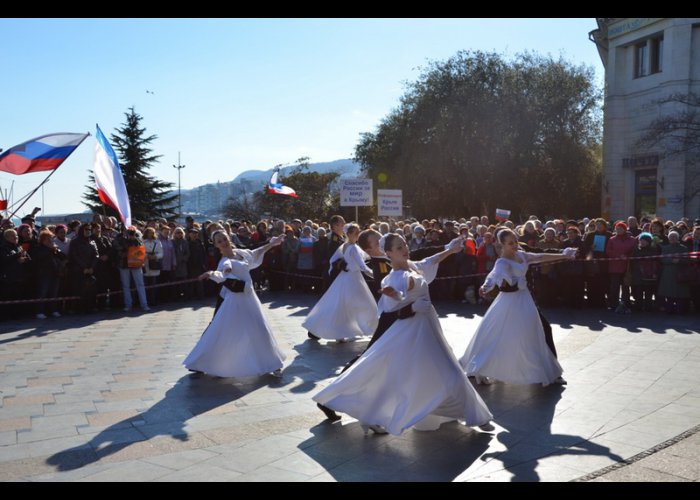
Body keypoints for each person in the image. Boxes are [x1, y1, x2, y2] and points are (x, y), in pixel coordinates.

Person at [313, 233, 493, 435]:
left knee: (444, 370)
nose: (405, 248)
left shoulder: (411, 266)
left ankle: (473, 413)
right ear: (386, 251)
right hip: (398, 326)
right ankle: (341, 401)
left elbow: (429, 261)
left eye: (405, 245)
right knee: (374, 365)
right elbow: (395, 303)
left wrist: (450, 249)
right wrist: (411, 306)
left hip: (425, 329)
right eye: (399, 247)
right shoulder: (386, 272)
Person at [460, 228, 575, 386]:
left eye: (515, 241)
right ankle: (478, 367)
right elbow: (494, 275)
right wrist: (486, 286)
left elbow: (540, 256)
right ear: (502, 245)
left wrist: (564, 254)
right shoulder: (502, 262)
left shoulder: (522, 255)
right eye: (510, 243)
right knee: (496, 334)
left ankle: (547, 372)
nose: (514, 245)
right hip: (508, 303)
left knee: (539, 330)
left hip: (524, 300)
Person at [183, 231, 286, 378]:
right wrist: (212, 273)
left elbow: (257, 252)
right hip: (235, 300)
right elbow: (222, 274)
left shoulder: (241, 253)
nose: (223, 242)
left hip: (250, 299)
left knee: (260, 328)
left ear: (229, 238)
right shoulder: (224, 261)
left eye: (224, 238)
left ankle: (272, 363)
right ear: (216, 245)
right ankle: (200, 363)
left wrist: (272, 243)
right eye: (219, 241)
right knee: (222, 332)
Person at [303, 223, 378, 342]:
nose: (358, 235)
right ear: (349, 234)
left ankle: (340, 332)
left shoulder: (346, 245)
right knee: (364, 304)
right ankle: (373, 329)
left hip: (346, 277)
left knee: (341, 305)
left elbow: (338, 259)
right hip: (353, 279)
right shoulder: (352, 247)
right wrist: (376, 276)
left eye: (359, 232)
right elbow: (362, 266)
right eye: (356, 233)